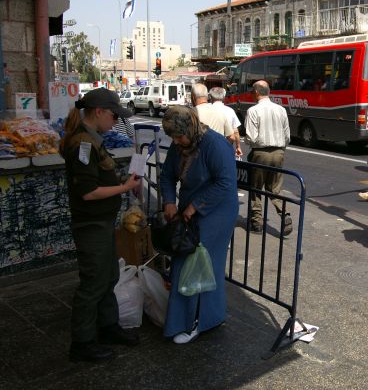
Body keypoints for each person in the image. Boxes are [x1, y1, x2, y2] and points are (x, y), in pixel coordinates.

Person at [59, 87, 141, 362]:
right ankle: (82, 343)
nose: (116, 121)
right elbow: (88, 192)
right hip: (91, 224)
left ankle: (108, 327)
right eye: (114, 114)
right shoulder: (83, 143)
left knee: (109, 277)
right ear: (99, 112)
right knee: (93, 282)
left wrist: (121, 185)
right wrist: (124, 187)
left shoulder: (93, 138)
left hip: (102, 222)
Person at [159, 106, 238, 344]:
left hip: (217, 212)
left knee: (198, 264)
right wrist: (169, 201)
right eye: (172, 137)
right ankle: (200, 318)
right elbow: (166, 176)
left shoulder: (214, 144)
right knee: (192, 263)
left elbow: (226, 182)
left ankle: (196, 321)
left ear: (191, 129)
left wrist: (195, 206)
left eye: (179, 136)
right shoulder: (180, 144)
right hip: (190, 210)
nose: (176, 141)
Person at [244, 80, 292, 235]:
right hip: (279, 153)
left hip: (260, 153)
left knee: (256, 188)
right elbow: (287, 136)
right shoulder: (281, 110)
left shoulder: (253, 110)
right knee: (275, 188)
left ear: (257, 92)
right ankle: (284, 215)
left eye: (252, 91)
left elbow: (251, 137)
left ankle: (257, 223)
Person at [208, 86, 243, 158]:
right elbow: (235, 131)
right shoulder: (230, 111)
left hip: (209, 148)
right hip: (226, 147)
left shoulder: (206, 110)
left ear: (210, 97)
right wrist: (238, 147)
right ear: (224, 97)